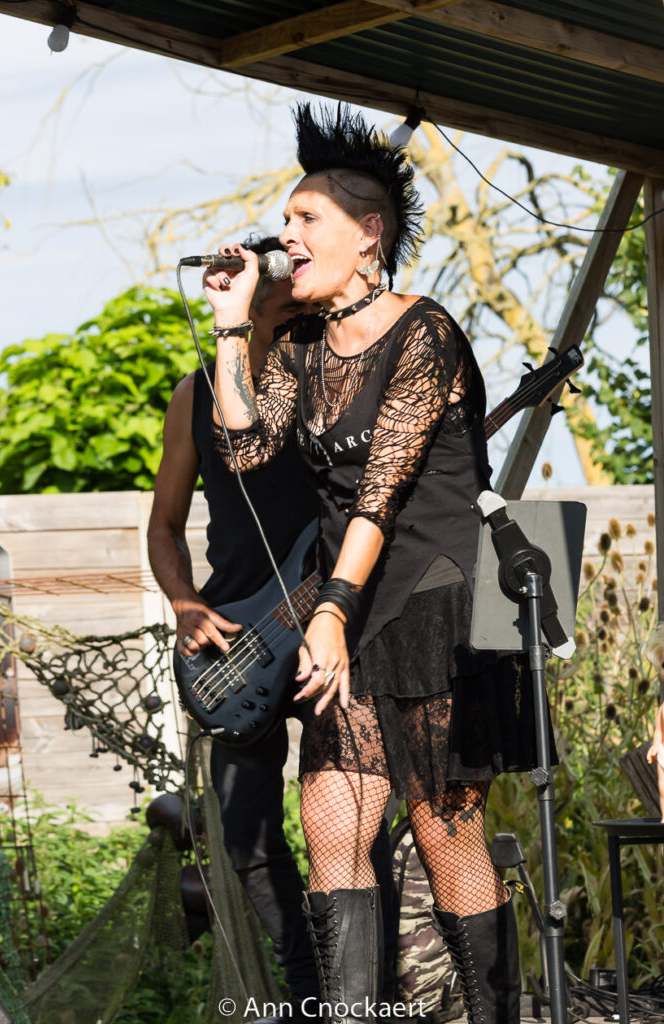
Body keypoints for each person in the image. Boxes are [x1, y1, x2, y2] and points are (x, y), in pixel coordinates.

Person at [202, 104, 551, 1024]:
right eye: (284, 220)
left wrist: (328, 609)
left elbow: (381, 491)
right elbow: (244, 450)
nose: (286, 235)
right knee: (331, 825)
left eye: (304, 218)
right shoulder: (300, 348)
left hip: (437, 600)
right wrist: (234, 326)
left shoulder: (424, 331)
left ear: (367, 234)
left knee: (445, 836)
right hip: (351, 610)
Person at [148, 234, 397, 1022]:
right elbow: (163, 525)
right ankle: (308, 991)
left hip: (333, 631)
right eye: (287, 310)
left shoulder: (339, 386)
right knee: (245, 836)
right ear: (247, 309)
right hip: (236, 639)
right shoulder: (194, 397)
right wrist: (184, 602)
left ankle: (367, 997)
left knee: (353, 829)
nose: (303, 321)